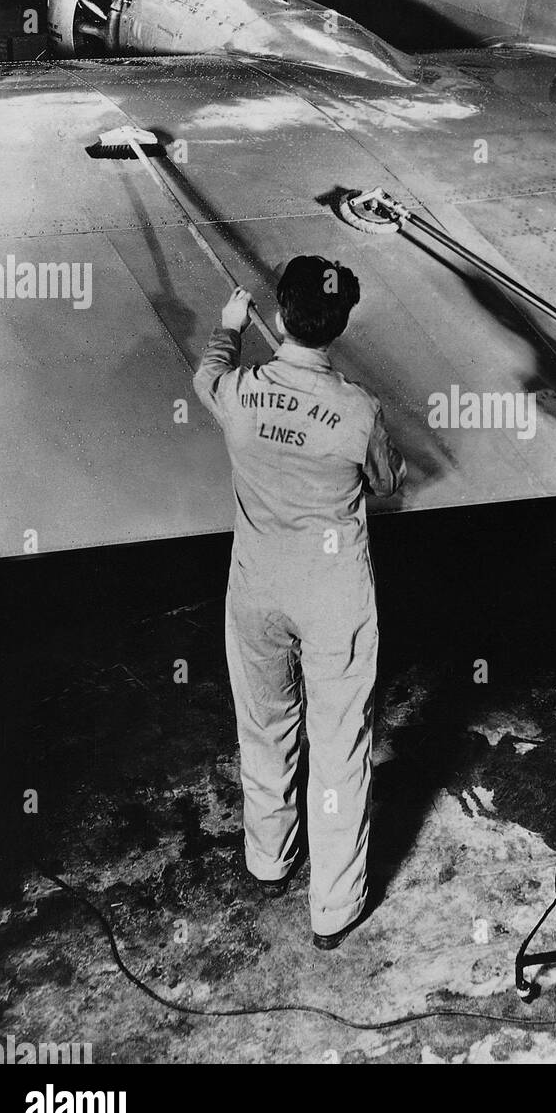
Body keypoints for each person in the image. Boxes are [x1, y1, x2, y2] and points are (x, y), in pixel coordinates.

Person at [193, 258, 406, 947]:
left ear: (278, 317)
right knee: (341, 745)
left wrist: (228, 331)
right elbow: (385, 482)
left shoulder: (238, 389)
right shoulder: (357, 408)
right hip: (331, 591)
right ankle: (334, 910)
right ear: (339, 325)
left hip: (256, 585)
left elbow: (206, 378)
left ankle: (268, 859)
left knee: (264, 724)